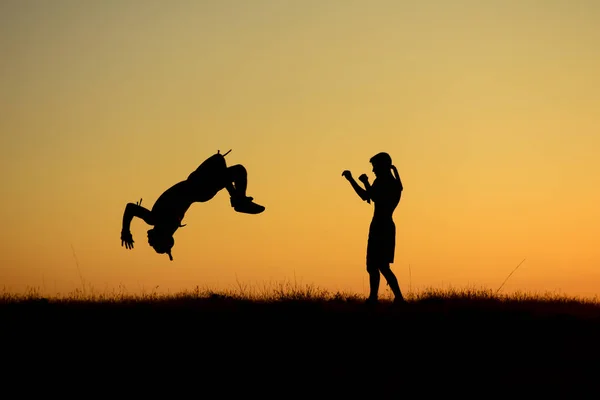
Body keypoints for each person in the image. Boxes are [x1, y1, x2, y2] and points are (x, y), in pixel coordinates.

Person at [120, 150, 265, 261]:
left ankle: (238, 200)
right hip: (200, 187)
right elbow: (131, 208)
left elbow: (130, 208)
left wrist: (126, 230)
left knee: (225, 165)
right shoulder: (160, 220)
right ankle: (238, 201)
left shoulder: (155, 219)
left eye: (151, 244)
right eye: (152, 243)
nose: (148, 241)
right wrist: (126, 230)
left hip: (200, 187)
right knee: (231, 167)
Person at [342, 152, 405, 305]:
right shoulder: (387, 182)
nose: (373, 170)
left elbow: (370, 197)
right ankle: (377, 297)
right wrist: (364, 183)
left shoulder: (388, 183)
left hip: (382, 227)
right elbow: (370, 196)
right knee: (375, 266)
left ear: (382, 165)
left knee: (380, 265)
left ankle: (390, 298)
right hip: (381, 225)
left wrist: (355, 180)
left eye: (375, 166)